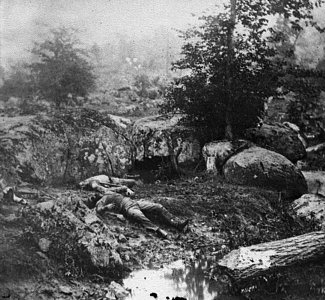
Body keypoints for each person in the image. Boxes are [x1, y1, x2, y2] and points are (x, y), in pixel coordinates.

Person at [88, 191, 189, 239]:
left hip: (134, 202)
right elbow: (99, 210)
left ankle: (176, 224)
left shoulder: (106, 193)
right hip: (128, 208)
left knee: (158, 207)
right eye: (92, 197)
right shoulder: (100, 201)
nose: (94, 195)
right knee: (140, 217)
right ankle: (159, 231)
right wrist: (106, 207)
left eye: (93, 195)